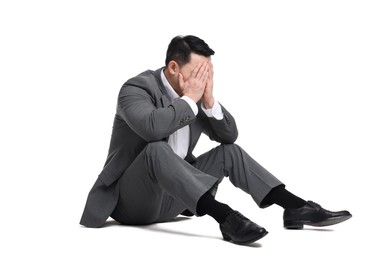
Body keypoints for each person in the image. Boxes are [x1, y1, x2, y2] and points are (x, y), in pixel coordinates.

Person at [80, 35, 352, 245]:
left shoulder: (197, 98)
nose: (204, 80)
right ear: (174, 67)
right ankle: (226, 218)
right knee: (156, 149)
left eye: (208, 72)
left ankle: (295, 207)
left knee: (229, 152)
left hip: (175, 200)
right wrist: (190, 101)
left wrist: (208, 101)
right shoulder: (136, 89)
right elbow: (152, 129)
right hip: (133, 204)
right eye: (199, 72)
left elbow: (229, 136)